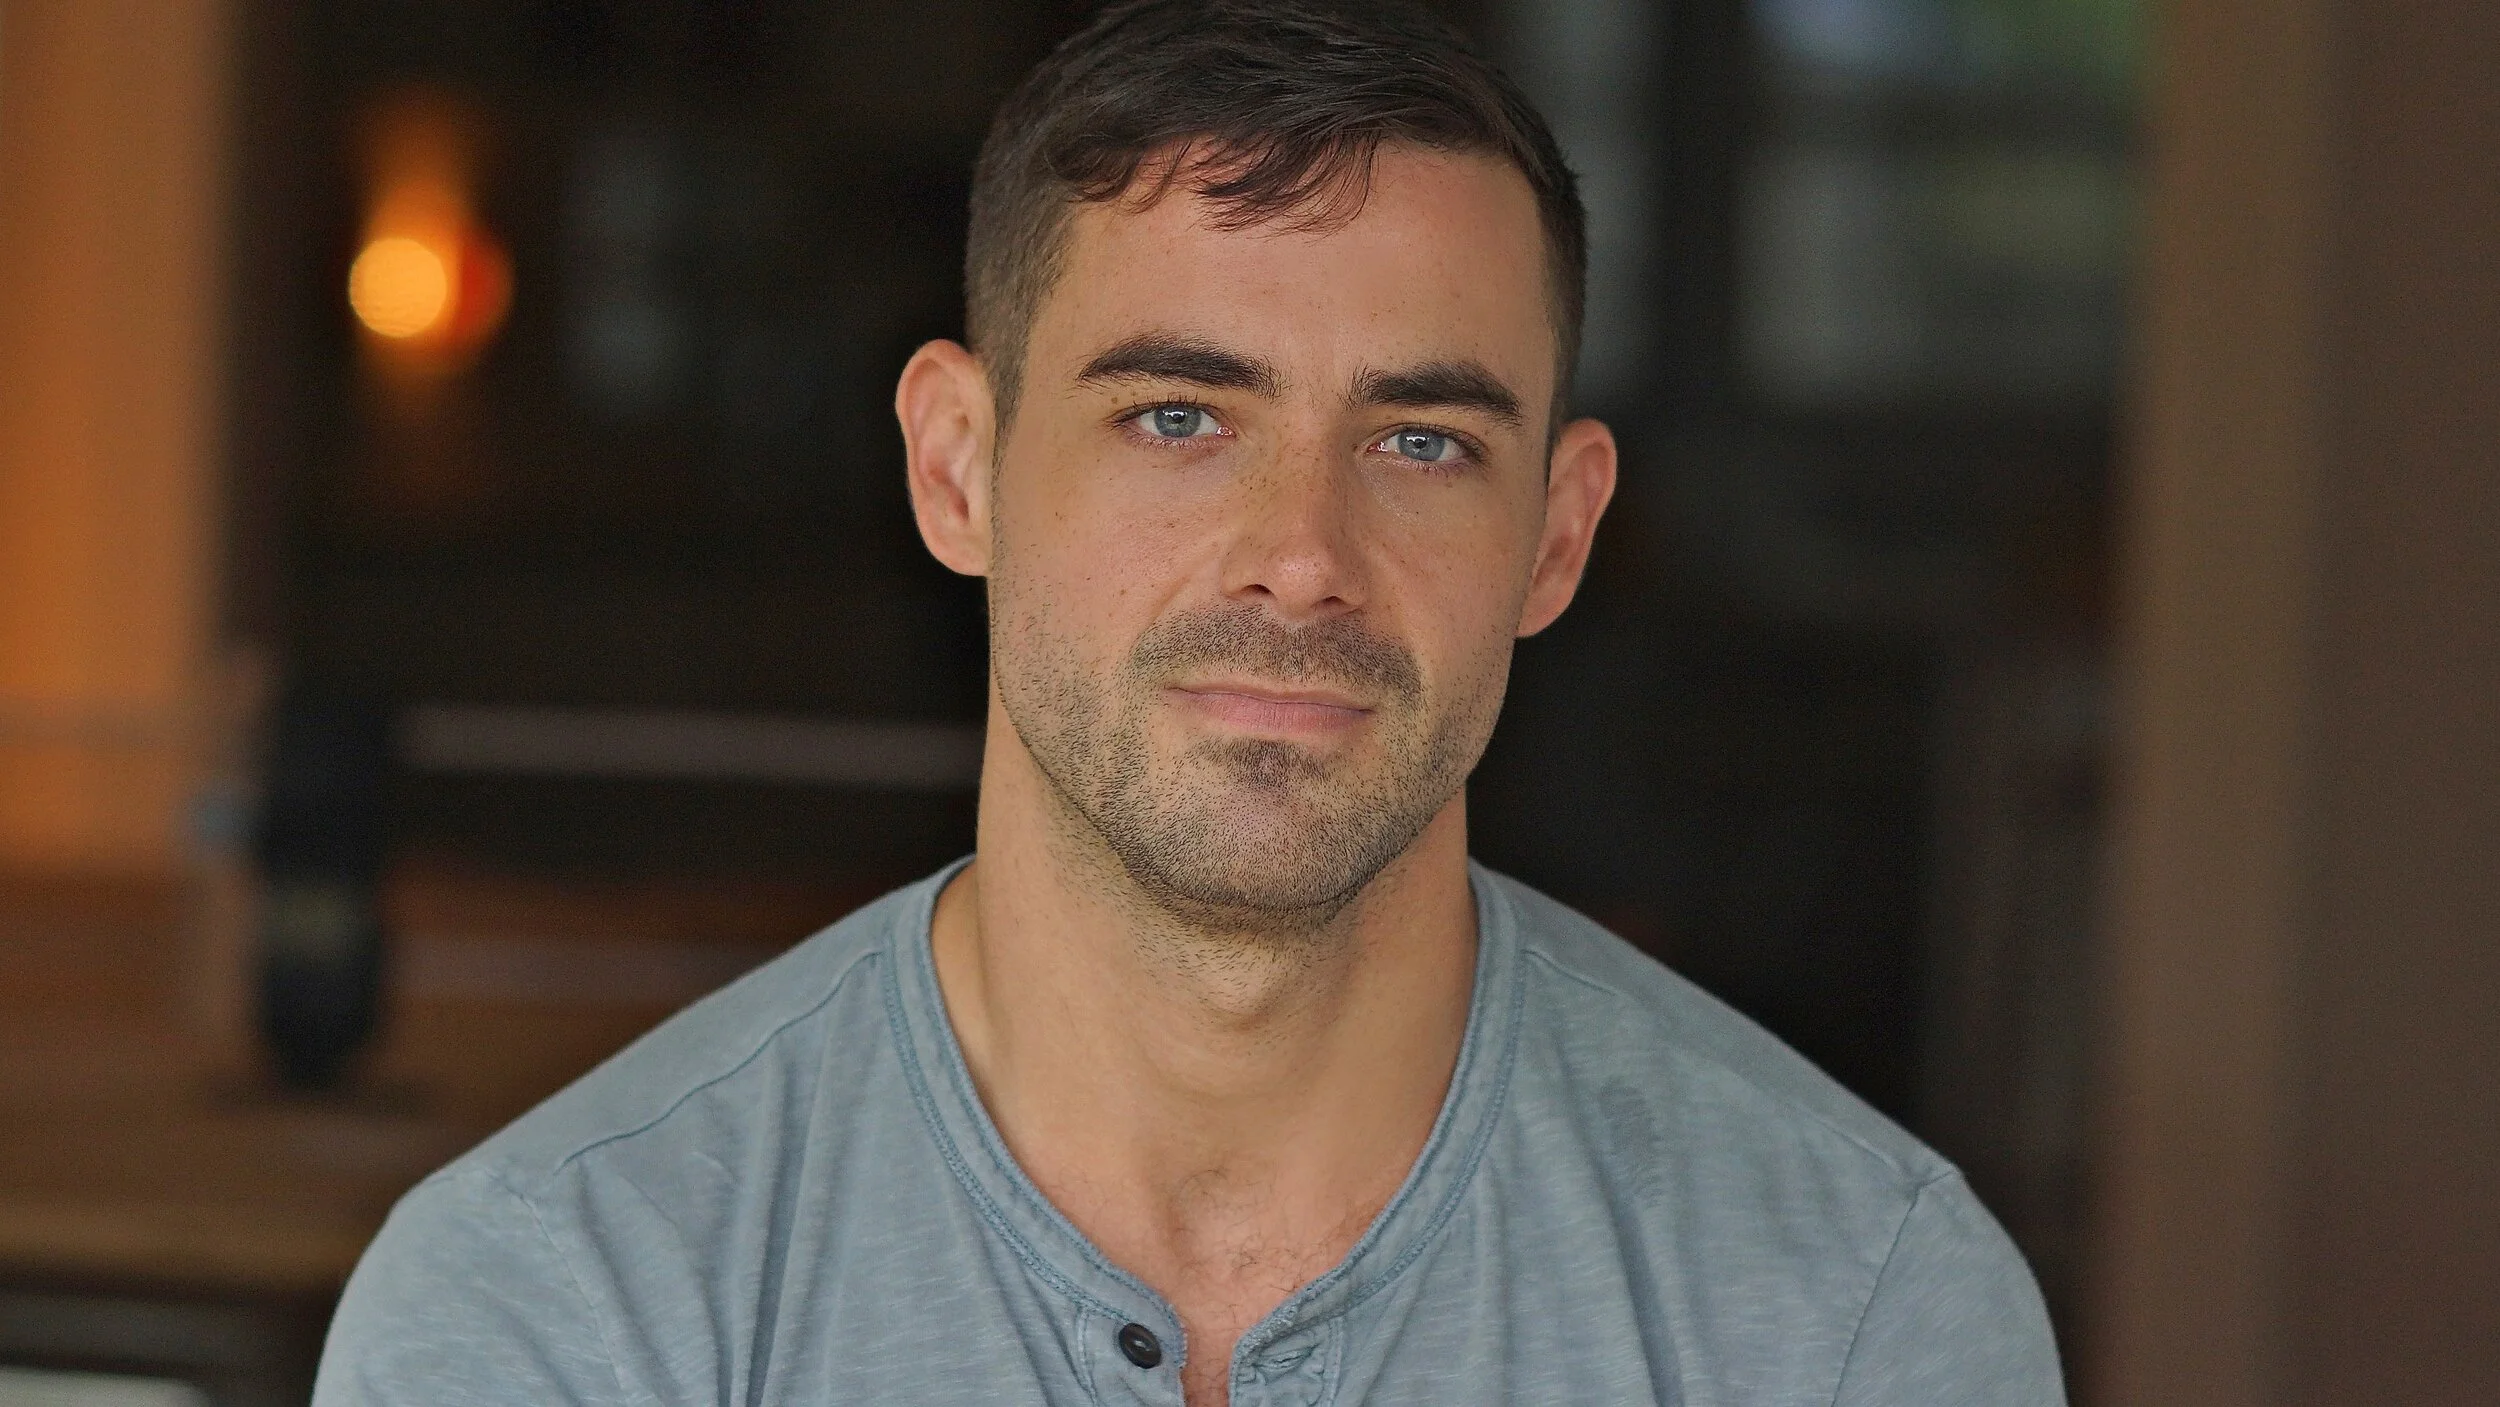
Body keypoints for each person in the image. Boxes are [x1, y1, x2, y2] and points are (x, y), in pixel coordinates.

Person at [313, 0, 2063, 1401]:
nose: (1301, 556)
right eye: (1177, 417)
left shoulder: (1857, 1310)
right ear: (958, 467)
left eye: (1422, 441)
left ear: (1559, 533)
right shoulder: (560, 1303)